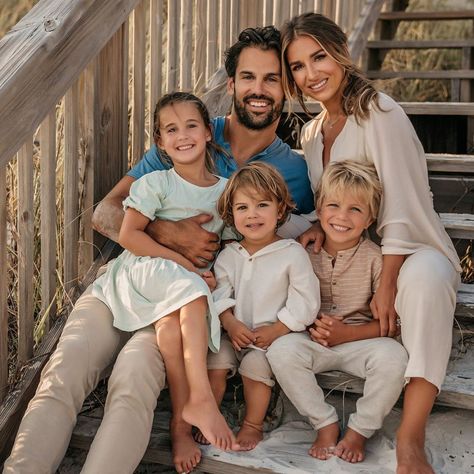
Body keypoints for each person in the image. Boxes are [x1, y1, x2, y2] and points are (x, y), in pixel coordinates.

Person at [4, 26, 314, 474]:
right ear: (231, 86)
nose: (259, 90)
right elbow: (106, 213)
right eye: (249, 77)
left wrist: (318, 231)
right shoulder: (186, 137)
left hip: (185, 304)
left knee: (131, 385)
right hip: (128, 282)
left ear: (286, 87)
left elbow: (303, 232)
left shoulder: (295, 172)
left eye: (271, 79)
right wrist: (170, 235)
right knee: (61, 376)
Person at [278, 12, 461, 474]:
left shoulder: (379, 111)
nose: (311, 74)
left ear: (342, 53)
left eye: (319, 57)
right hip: (351, 248)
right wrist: (317, 225)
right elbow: (333, 198)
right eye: (298, 66)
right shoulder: (312, 132)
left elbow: (399, 203)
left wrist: (388, 284)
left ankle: (410, 436)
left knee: (422, 283)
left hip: (411, 250)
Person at [91, 91, 244, 462]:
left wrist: (205, 273)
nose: (183, 135)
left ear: (209, 132)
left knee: (172, 331)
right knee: (190, 291)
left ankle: (180, 424)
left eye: (191, 125)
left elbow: (227, 243)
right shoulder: (155, 183)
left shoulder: (227, 192)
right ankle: (202, 399)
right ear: (160, 142)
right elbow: (129, 236)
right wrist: (187, 267)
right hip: (145, 268)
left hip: (185, 282)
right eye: (171, 130)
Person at [267, 160, 408, 463]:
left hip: (360, 341)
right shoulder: (301, 251)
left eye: (355, 210)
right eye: (333, 205)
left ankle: (359, 431)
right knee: (280, 351)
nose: (342, 217)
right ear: (319, 209)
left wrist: (349, 334)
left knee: (394, 357)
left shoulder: (375, 259)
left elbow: (391, 324)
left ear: (370, 218)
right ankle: (325, 423)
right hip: (311, 339)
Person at [193, 162, 320, 451]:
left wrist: (278, 329)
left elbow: (306, 299)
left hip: (273, 338)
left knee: (254, 367)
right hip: (234, 333)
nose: (252, 214)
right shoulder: (229, 255)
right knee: (216, 359)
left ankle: (252, 423)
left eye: (262, 205)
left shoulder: (291, 253)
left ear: (280, 209)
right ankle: (210, 415)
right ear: (230, 214)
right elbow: (221, 293)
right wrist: (230, 323)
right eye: (242, 208)